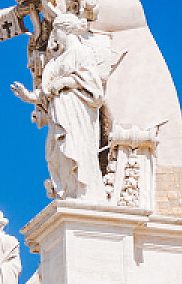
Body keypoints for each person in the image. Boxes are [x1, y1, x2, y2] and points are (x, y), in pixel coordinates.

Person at [12, 15, 111, 200]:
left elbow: (93, 86)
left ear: (65, 31)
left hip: (77, 111)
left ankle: (83, 192)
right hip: (59, 113)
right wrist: (30, 97)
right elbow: (46, 92)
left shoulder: (81, 53)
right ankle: (68, 190)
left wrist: (67, 81)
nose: (54, 37)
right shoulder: (56, 62)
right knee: (57, 153)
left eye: (56, 32)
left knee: (77, 147)